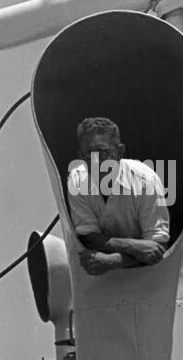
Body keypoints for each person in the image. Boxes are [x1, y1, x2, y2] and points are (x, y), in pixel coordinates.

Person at [67, 117, 170, 276]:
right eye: (89, 154)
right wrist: (133, 247)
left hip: (151, 277)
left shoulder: (145, 180)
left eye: (102, 152)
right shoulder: (77, 180)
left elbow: (157, 246)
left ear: (120, 152)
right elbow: (87, 235)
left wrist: (114, 260)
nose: (95, 161)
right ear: (80, 156)